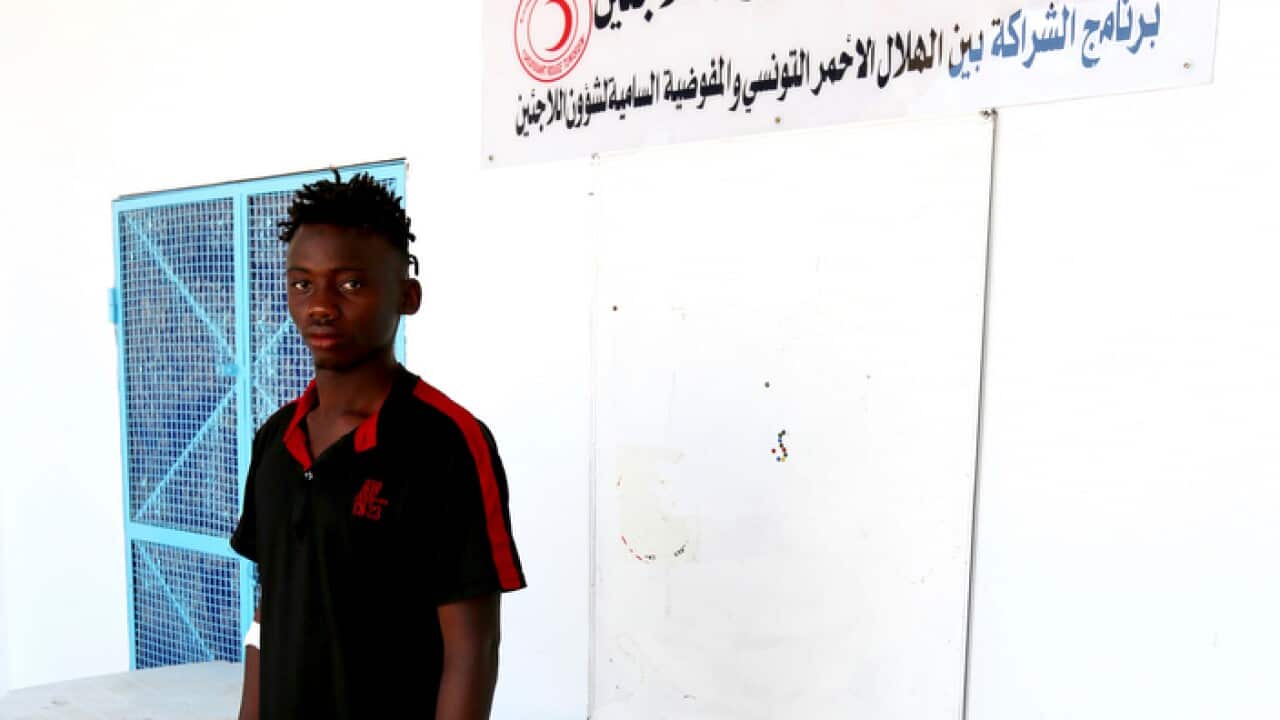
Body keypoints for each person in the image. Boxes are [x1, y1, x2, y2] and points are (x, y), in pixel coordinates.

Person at [230, 171, 526, 719]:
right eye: (302, 284)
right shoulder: (275, 441)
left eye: (350, 284)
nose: (320, 305)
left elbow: (473, 650)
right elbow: (270, 613)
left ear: (406, 296)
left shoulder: (447, 443)